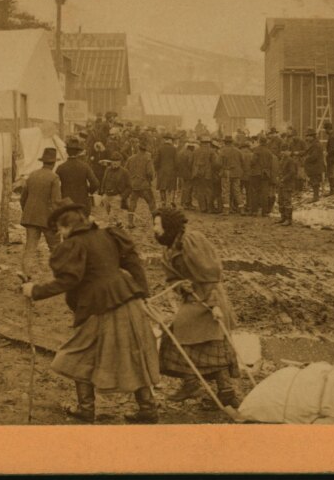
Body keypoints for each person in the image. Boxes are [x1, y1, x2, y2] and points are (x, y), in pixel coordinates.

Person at [20, 200, 160, 424]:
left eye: (60, 230)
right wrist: (142, 291)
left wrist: (35, 290)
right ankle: (148, 408)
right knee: (133, 353)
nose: (60, 235)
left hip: (101, 308)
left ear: (66, 228)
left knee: (78, 353)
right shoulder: (108, 235)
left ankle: (86, 409)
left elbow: (68, 280)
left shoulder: (74, 244)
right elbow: (132, 260)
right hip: (128, 300)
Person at [152, 208, 241, 408]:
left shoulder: (191, 241)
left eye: (157, 224)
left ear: (169, 226)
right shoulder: (169, 249)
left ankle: (207, 387)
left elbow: (212, 274)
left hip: (210, 298)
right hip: (193, 299)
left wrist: (214, 304)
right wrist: (181, 284)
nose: (154, 229)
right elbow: (172, 277)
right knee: (193, 340)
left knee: (210, 343)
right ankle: (216, 389)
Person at [20, 148, 62, 275]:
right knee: (55, 248)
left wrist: (28, 212)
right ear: (54, 163)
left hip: (31, 217)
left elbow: (23, 199)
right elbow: (56, 201)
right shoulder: (54, 178)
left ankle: (26, 274)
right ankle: (61, 274)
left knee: (30, 248)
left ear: (43, 162)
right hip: (48, 218)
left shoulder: (32, 175)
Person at [56, 137, 100, 217]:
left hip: (66, 204)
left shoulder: (61, 167)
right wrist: (88, 191)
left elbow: (55, 185)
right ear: (78, 152)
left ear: (67, 151)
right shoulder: (85, 166)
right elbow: (96, 184)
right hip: (82, 204)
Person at [125, 141, 157, 228]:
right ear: (146, 150)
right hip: (144, 185)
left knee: (132, 203)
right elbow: (150, 173)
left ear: (138, 148)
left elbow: (125, 171)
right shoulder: (147, 159)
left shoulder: (130, 159)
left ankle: (130, 222)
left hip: (134, 185)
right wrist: (151, 179)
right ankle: (156, 223)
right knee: (151, 203)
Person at [99, 152, 131, 228]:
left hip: (116, 197)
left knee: (111, 218)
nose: (115, 163)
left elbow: (129, 187)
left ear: (120, 162)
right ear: (111, 162)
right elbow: (104, 181)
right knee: (110, 214)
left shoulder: (125, 172)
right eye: (113, 161)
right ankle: (119, 223)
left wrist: (122, 197)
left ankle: (111, 233)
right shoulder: (107, 170)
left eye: (117, 161)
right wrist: (102, 194)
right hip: (107, 196)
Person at [218, 136, 244, 214]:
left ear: (225, 142)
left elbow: (218, 163)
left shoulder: (222, 151)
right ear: (231, 142)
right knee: (237, 191)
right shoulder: (238, 151)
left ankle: (226, 209)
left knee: (226, 191)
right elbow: (242, 162)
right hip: (236, 173)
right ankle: (241, 208)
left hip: (226, 173)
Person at [191, 135, 215, 213]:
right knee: (209, 190)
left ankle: (203, 208)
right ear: (208, 143)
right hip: (207, 174)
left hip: (197, 173)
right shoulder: (211, 151)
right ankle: (209, 208)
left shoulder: (195, 151)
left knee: (200, 190)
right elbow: (215, 163)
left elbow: (191, 162)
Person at [277, 143, 299, 226]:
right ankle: (283, 217)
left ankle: (288, 219)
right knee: (280, 201)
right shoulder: (282, 159)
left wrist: (284, 178)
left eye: (285, 151)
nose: (283, 152)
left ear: (289, 151)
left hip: (288, 184)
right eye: (282, 150)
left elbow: (292, 172)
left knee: (287, 201)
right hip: (282, 184)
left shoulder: (291, 160)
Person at [154, 134, 178, 207]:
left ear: (164, 140)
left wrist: (156, 169)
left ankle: (163, 201)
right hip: (172, 170)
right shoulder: (174, 149)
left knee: (162, 186)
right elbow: (176, 161)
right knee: (172, 186)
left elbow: (156, 160)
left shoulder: (160, 148)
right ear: (170, 140)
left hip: (162, 170)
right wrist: (176, 169)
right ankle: (171, 201)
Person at [303, 129, 325, 202]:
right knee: (314, 181)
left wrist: (306, 159)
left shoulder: (316, 145)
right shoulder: (314, 144)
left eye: (308, 136)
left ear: (312, 137)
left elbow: (314, 156)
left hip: (315, 167)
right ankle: (316, 196)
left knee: (315, 182)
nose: (306, 138)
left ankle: (316, 197)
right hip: (315, 166)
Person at [177, 141, 196, 210]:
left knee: (184, 188)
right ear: (191, 147)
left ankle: (183, 202)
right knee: (188, 188)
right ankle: (187, 203)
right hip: (188, 173)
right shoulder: (190, 153)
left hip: (181, 173)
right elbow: (190, 164)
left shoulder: (181, 152)